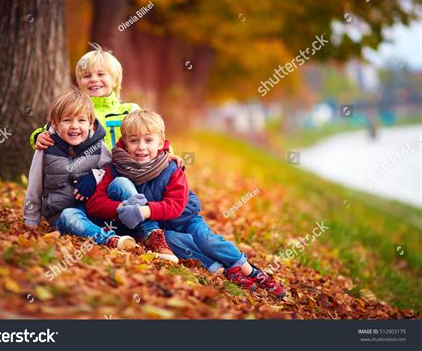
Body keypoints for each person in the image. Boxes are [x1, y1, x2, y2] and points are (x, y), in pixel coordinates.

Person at [86, 110, 286, 296]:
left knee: (205, 239)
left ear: (160, 142)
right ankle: (224, 270)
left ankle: (250, 270)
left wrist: (144, 211)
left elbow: (175, 206)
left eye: (148, 140)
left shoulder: (171, 167)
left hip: (185, 219)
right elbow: (94, 204)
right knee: (178, 244)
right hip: (161, 230)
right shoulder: (116, 168)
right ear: (124, 143)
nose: (141, 147)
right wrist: (121, 209)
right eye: (134, 140)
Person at [29, 43, 183, 201]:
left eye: (101, 74)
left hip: (127, 173)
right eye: (86, 76)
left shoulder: (129, 110)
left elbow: (152, 134)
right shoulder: (75, 112)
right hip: (89, 177)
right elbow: (53, 127)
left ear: (116, 80)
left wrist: (166, 153)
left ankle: (151, 217)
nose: (93, 80)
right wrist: (39, 136)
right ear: (79, 82)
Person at [23, 88, 135, 250]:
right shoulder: (46, 147)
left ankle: (145, 228)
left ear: (91, 123)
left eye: (81, 120)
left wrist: (95, 177)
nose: (74, 126)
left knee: (121, 182)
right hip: (62, 214)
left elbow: (110, 170)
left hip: (94, 210)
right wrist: (30, 221)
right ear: (55, 123)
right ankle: (111, 240)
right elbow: (34, 184)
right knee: (70, 215)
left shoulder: (99, 146)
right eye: (67, 120)